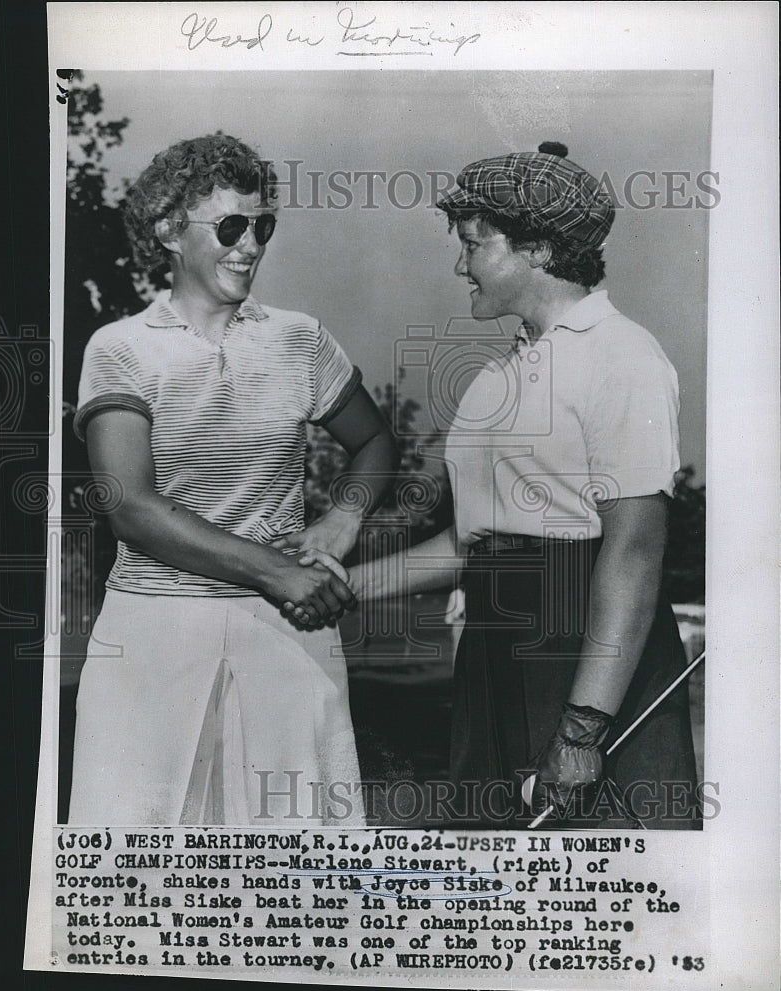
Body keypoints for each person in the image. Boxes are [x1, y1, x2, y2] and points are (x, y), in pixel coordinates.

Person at [350, 141, 700, 829]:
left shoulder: (622, 354)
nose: (461, 264)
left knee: (605, 887)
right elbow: (469, 545)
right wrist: (337, 583)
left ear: (538, 248)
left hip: (583, 655)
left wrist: (580, 730)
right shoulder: (495, 379)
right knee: (495, 875)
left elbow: (633, 552)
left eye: (475, 245)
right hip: (491, 648)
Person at [68, 134, 398, 826]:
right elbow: (132, 508)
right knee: (139, 877)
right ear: (168, 232)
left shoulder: (301, 338)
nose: (250, 245)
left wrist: (343, 518)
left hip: (286, 633)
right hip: (154, 637)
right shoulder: (119, 347)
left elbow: (373, 442)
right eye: (229, 226)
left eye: (262, 226)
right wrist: (278, 573)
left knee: (299, 871)